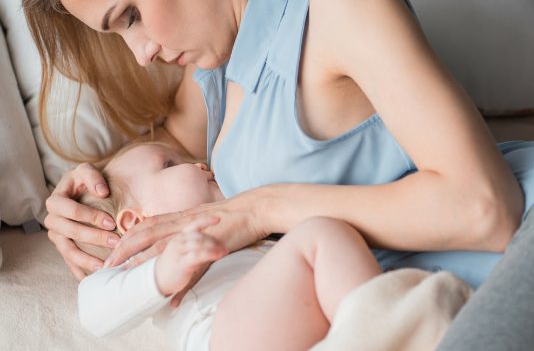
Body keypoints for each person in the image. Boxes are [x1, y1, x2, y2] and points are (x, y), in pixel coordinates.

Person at [21, 0, 534, 348]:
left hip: (507, 259)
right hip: (399, 307)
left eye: (130, 16)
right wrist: (86, 199)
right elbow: (160, 154)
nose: (140, 54)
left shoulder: (340, 1)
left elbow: (484, 210)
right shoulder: (217, 70)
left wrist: (260, 210)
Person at [76, 140, 382, 350]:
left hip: (294, 328)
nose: (199, 164)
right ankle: (394, 328)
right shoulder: (139, 260)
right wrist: (161, 273)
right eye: (170, 164)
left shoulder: (244, 226)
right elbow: (92, 312)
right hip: (224, 335)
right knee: (321, 234)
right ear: (134, 222)